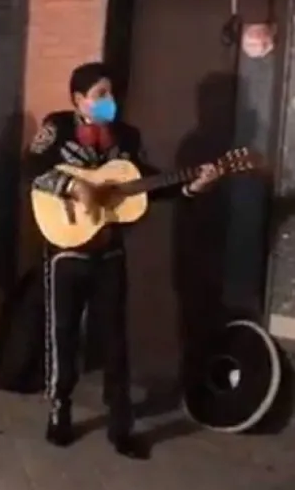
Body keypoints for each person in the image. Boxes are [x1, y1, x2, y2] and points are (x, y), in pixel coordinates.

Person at [28, 62, 221, 459]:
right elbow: (32, 168)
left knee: (115, 340)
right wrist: (72, 184)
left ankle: (121, 425)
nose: (108, 101)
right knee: (62, 335)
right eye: (100, 95)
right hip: (66, 252)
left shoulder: (127, 136)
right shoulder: (57, 127)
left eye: (111, 93)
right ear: (78, 99)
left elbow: (146, 181)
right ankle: (59, 411)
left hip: (110, 252)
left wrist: (190, 186)